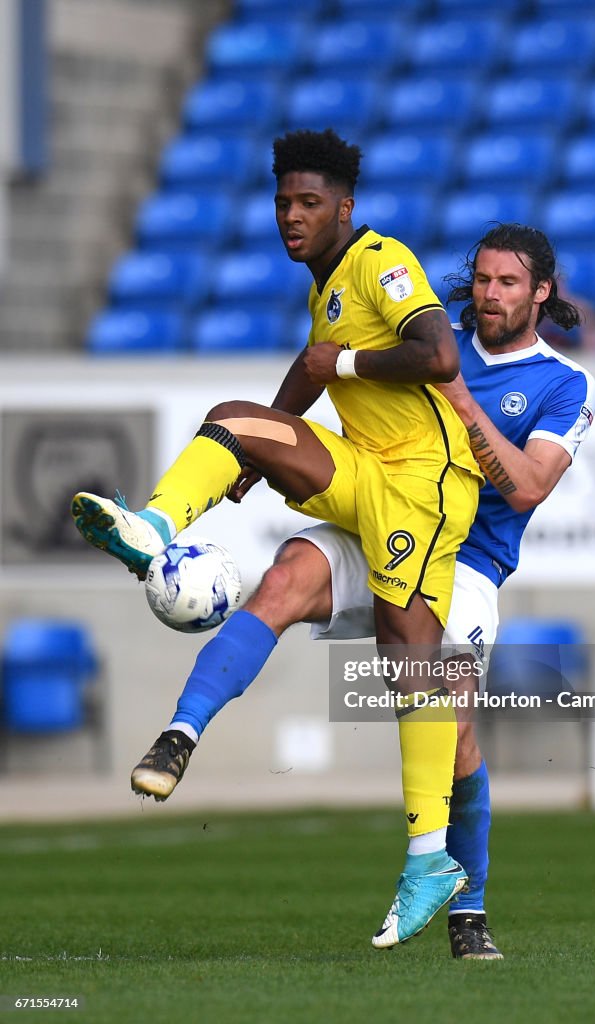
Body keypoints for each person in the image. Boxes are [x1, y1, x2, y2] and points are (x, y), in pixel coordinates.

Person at [125, 222, 595, 959]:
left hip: (463, 560)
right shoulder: (423, 341)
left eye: (508, 283)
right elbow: (328, 366)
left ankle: (465, 908)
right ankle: (178, 735)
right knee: (280, 581)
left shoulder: (563, 383)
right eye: (481, 279)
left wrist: (460, 403)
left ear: (541, 292)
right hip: (372, 511)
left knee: (457, 731)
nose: (490, 294)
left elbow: (532, 486)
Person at [71, 128, 483, 948]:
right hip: (366, 469)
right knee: (232, 424)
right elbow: (313, 362)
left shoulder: (378, 258)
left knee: (411, 669)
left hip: (424, 485)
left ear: (344, 207)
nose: (291, 217)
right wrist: (263, 446)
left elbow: (436, 354)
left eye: (308, 203)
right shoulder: (325, 286)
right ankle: (151, 532)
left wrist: (346, 373)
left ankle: (431, 859)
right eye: (282, 202)